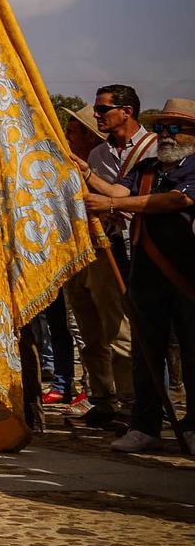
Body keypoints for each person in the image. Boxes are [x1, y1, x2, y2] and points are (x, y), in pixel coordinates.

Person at [88, 96, 195, 456]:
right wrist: (85, 174)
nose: (167, 135)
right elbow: (119, 190)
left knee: (192, 351)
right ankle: (145, 425)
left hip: (186, 274)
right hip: (146, 273)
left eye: (175, 128)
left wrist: (114, 205)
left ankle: (193, 424)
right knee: (146, 351)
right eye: (163, 127)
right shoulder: (149, 166)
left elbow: (176, 201)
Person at [57, 106, 132, 426]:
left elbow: (117, 199)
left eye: (73, 130)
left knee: (116, 328)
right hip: (76, 249)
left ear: (88, 135)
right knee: (87, 330)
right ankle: (102, 397)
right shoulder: (63, 164)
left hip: (104, 248)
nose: (68, 136)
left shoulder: (105, 159)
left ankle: (130, 401)